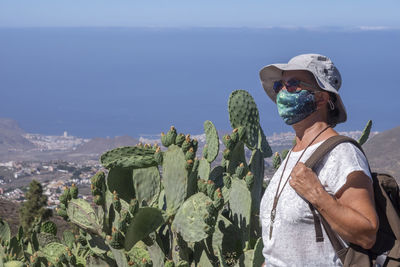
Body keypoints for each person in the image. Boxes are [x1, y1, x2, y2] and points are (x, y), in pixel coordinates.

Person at [258, 54, 378, 266]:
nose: (282, 92)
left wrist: (316, 194)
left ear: (322, 98)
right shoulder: (293, 154)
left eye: (293, 84)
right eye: (279, 85)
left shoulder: (343, 153)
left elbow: (366, 233)